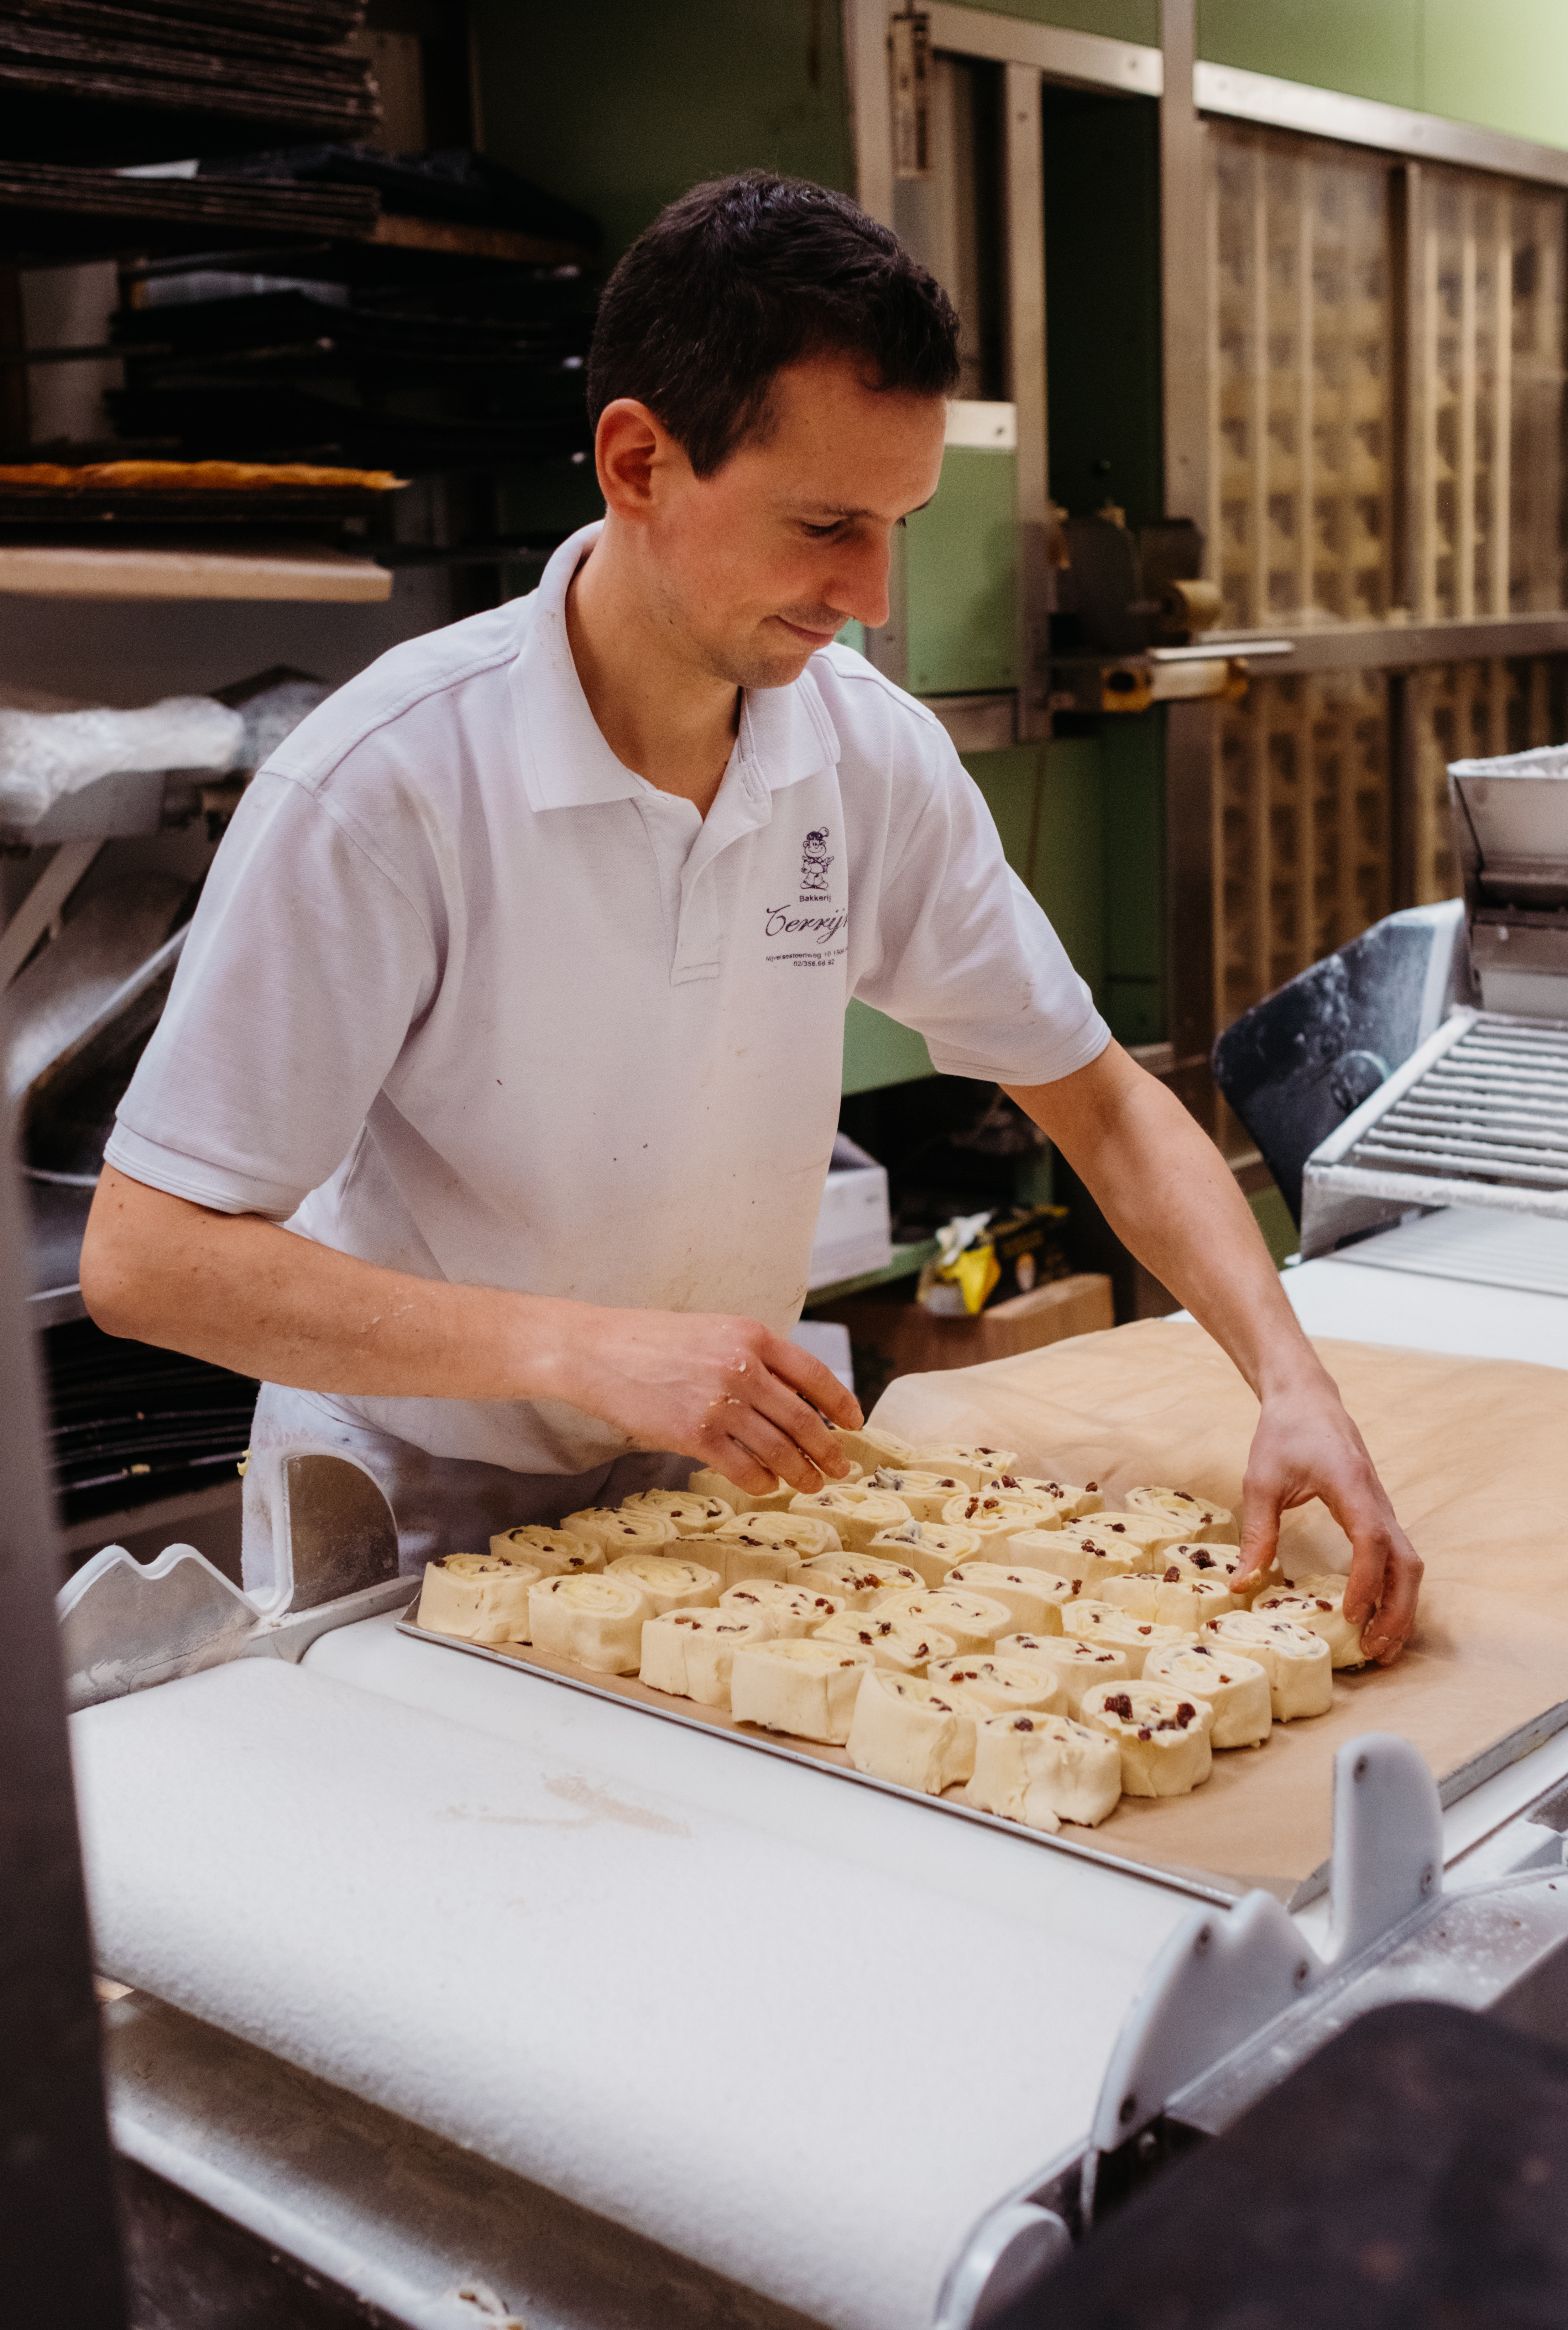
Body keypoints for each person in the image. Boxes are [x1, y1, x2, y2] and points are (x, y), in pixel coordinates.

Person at [80, 171, 1421, 1658]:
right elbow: (150, 1256)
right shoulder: (390, 783)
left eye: (899, 522)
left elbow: (1099, 1102)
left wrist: (1288, 1376)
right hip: (408, 1513)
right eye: (826, 522)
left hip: (716, 1491)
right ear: (640, 461)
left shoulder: (861, 753)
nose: (873, 591)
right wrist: (581, 1347)